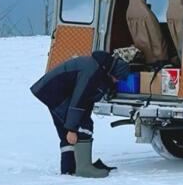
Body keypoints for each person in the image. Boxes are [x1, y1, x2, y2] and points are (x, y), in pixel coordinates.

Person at [30, 47, 138, 178]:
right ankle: (84, 168)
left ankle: (69, 169)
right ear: (112, 72)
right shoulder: (92, 70)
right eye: (117, 78)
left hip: (53, 92)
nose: (117, 81)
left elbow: (87, 100)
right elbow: (79, 99)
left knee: (72, 130)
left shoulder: (100, 69)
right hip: (55, 93)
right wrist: (72, 128)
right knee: (83, 127)